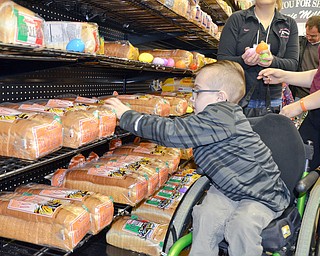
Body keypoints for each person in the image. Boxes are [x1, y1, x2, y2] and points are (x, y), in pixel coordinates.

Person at [105, 60, 290, 256]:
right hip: (231, 188)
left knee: (241, 226)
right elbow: (174, 129)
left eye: (197, 91)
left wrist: (127, 116)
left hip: (262, 195)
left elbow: (171, 132)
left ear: (220, 97)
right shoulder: (214, 118)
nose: (192, 98)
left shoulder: (221, 117)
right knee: (204, 216)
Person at [217, 0, 299, 116]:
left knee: (269, 133)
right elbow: (222, 60)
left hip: (273, 100)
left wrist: (273, 61)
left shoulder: (289, 24)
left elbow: (293, 64)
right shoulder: (237, 19)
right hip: (238, 98)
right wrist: (243, 61)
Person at [257, 45, 320, 170]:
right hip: (315, 116)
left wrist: (300, 105)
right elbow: (317, 76)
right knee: (297, 164)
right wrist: (284, 76)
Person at [290, 16, 320, 100]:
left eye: (313, 36)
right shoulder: (298, 42)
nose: (309, 38)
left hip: (316, 94)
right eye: (307, 34)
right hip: (298, 94)